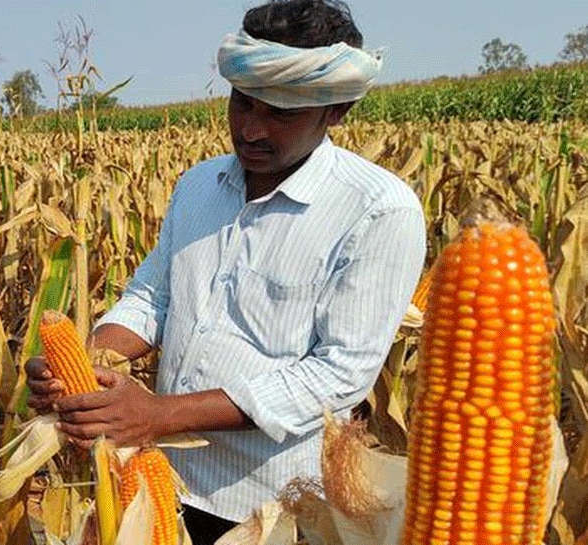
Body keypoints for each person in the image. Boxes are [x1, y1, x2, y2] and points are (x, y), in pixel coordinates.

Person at [26, 0, 426, 543]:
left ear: (337, 110)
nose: (250, 130)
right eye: (243, 102)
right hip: (160, 481)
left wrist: (160, 415)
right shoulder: (198, 186)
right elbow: (153, 298)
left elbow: (338, 376)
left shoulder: (377, 211)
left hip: (276, 505)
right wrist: (84, 365)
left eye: (281, 113)